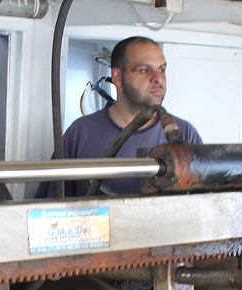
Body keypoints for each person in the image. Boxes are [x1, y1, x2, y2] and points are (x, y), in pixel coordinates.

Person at [38, 36, 202, 197]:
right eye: (144, 70)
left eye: (162, 70)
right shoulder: (81, 133)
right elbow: (50, 207)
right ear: (117, 77)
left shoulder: (186, 134)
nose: (158, 79)